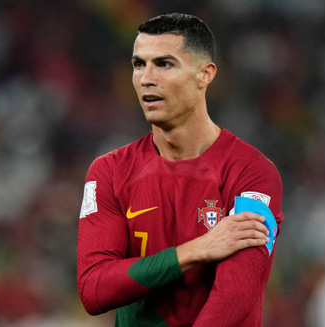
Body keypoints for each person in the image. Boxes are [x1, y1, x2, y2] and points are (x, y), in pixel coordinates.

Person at [77, 13, 283, 327]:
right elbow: (94, 290)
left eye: (164, 64)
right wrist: (196, 250)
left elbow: (236, 297)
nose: (146, 78)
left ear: (205, 74)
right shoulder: (108, 171)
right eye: (138, 64)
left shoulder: (251, 173)